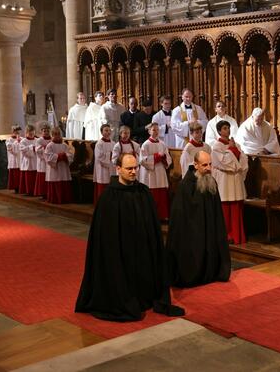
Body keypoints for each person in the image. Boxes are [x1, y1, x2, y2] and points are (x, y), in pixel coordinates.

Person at [75, 153, 185, 321]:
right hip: (119, 251)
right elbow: (103, 235)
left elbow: (153, 226)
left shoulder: (143, 192)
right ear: (118, 169)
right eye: (129, 169)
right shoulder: (108, 196)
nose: (133, 172)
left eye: (135, 168)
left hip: (141, 249)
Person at [167, 150, 231, 287]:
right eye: (204, 165)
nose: (208, 168)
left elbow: (216, 210)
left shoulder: (211, 182)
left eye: (210, 164)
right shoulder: (185, 186)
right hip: (193, 231)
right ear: (195, 165)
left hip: (210, 228)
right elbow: (180, 215)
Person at [212, 120, 249, 244]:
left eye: (228, 128)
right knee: (226, 210)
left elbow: (243, 160)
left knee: (236, 208)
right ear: (219, 131)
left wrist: (234, 150)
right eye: (224, 128)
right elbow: (224, 162)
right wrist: (232, 150)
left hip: (235, 179)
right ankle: (227, 235)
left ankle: (237, 235)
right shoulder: (216, 146)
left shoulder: (235, 144)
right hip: (224, 180)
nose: (227, 130)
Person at [140, 122, 172, 220]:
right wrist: (157, 157)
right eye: (154, 130)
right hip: (150, 174)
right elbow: (142, 160)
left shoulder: (162, 144)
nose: (156, 132)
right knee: (152, 196)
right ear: (149, 131)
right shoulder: (145, 144)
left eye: (158, 130)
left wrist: (164, 158)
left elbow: (169, 159)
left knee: (161, 195)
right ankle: (151, 217)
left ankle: (162, 216)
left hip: (160, 172)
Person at [44, 127, 74, 204]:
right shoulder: (50, 145)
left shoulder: (64, 145)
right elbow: (48, 157)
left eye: (58, 134)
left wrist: (65, 156)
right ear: (52, 135)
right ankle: (55, 199)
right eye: (55, 134)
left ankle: (65, 199)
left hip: (63, 167)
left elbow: (70, 155)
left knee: (64, 181)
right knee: (55, 180)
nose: (57, 136)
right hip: (55, 169)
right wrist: (59, 156)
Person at [93, 124, 116, 205]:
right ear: (101, 132)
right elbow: (99, 156)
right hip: (102, 168)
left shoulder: (113, 143)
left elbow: (116, 155)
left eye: (109, 130)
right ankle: (102, 204)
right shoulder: (99, 144)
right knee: (103, 186)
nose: (108, 132)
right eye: (106, 130)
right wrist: (110, 155)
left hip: (112, 168)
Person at [34, 122, 52, 199]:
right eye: (44, 131)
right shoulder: (39, 140)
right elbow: (37, 150)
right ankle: (42, 193)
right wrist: (45, 148)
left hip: (50, 162)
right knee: (42, 177)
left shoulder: (52, 139)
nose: (46, 132)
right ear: (41, 131)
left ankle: (49, 193)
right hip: (42, 162)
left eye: (48, 131)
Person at [18, 124, 38, 196]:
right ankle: (28, 191)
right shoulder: (23, 141)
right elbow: (23, 150)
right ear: (26, 132)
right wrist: (32, 148)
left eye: (32, 132)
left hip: (36, 161)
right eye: (29, 132)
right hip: (27, 161)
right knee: (28, 178)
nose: (31, 134)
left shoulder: (37, 140)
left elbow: (39, 149)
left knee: (35, 177)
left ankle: (35, 191)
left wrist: (35, 149)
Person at [6, 125, 22, 192]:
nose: (17, 133)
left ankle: (21, 187)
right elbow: (10, 149)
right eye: (16, 132)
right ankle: (16, 188)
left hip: (20, 159)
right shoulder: (9, 140)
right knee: (15, 174)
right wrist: (17, 142)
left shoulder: (22, 139)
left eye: (18, 132)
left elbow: (23, 147)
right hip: (13, 159)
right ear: (13, 131)